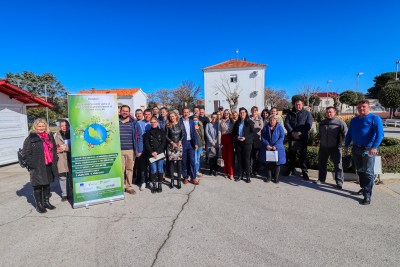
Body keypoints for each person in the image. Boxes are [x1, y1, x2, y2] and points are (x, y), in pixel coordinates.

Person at [344, 100, 384, 205]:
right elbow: (349, 134)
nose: (361, 109)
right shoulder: (354, 120)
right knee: (360, 170)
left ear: (368, 107)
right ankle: (364, 187)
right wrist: (346, 145)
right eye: (359, 107)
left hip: (369, 149)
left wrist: (374, 147)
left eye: (364, 106)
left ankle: (367, 195)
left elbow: (380, 134)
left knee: (368, 172)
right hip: (356, 148)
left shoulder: (375, 118)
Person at [21, 118, 58, 213]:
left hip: (48, 164)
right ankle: (39, 205)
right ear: (35, 127)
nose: (41, 128)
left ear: (46, 126)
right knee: (37, 186)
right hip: (37, 166)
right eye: (39, 126)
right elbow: (25, 154)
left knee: (47, 184)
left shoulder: (49, 136)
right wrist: (32, 164)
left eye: (43, 126)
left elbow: (53, 149)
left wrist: (55, 159)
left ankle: (46, 202)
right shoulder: (30, 138)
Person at [314, 107, 348, 189]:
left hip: (335, 148)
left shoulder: (340, 123)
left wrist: (344, 145)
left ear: (334, 112)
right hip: (323, 147)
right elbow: (320, 134)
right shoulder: (322, 123)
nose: (329, 113)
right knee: (322, 164)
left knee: (338, 165)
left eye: (330, 112)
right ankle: (321, 179)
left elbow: (346, 134)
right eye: (327, 112)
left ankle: (339, 182)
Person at [284, 100, 314, 180]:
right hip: (292, 137)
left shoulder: (307, 114)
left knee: (303, 156)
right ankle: (290, 169)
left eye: (299, 104)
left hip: (302, 138)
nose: (298, 106)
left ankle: (304, 172)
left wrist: (299, 133)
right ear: (294, 105)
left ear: (302, 105)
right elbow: (286, 123)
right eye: (296, 104)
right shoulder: (290, 113)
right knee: (291, 155)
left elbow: (308, 125)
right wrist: (293, 132)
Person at [259, 115, 286, 183]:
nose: (272, 121)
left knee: (277, 164)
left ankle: (276, 178)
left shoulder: (280, 128)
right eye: (270, 120)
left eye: (273, 120)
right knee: (268, 163)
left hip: (277, 148)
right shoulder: (265, 127)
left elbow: (282, 137)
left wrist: (276, 146)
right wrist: (267, 145)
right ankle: (269, 177)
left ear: (276, 120)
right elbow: (263, 137)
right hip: (268, 148)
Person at [144, 116, 166, 193]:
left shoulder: (162, 131)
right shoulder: (147, 133)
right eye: (152, 122)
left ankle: (159, 185)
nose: (153, 123)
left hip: (159, 154)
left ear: (157, 122)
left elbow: (163, 143)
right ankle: (154, 185)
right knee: (153, 170)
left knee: (160, 169)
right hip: (151, 154)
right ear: (150, 123)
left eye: (155, 122)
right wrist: (152, 152)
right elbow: (146, 144)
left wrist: (157, 151)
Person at [232, 107, 254, 183]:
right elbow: (233, 133)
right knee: (239, 160)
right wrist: (237, 137)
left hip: (247, 144)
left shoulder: (250, 122)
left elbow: (252, 133)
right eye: (240, 113)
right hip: (238, 144)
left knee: (247, 160)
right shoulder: (237, 122)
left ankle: (248, 177)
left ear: (246, 113)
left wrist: (245, 137)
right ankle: (239, 175)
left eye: (243, 112)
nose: (242, 114)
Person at [119, 105, 137, 194]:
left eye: (126, 111)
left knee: (129, 169)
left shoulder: (133, 123)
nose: (125, 112)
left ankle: (129, 187)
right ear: (120, 111)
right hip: (119, 150)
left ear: (129, 112)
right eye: (123, 111)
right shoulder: (115, 122)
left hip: (131, 150)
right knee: (121, 169)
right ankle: (121, 187)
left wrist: (139, 150)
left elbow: (138, 137)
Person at [54, 119, 72, 201]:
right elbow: (52, 147)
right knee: (62, 177)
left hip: (70, 157)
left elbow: (78, 147)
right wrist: (56, 150)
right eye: (62, 126)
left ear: (69, 125)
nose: (64, 127)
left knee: (71, 176)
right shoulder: (56, 135)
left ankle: (72, 192)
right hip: (61, 159)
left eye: (66, 125)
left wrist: (67, 148)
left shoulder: (73, 134)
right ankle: (64, 194)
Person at [180, 107, 199, 185]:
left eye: (187, 112)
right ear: (182, 113)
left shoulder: (191, 122)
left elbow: (194, 133)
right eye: (184, 112)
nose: (186, 113)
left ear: (189, 113)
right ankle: (185, 177)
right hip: (183, 144)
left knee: (192, 161)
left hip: (191, 143)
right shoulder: (179, 121)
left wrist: (196, 143)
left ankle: (193, 177)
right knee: (184, 161)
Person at [166, 111, 183, 188]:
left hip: (179, 145)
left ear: (176, 116)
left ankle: (179, 180)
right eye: (170, 117)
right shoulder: (168, 125)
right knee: (171, 163)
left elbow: (183, 134)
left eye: (173, 116)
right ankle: (172, 180)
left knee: (179, 163)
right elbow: (166, 136)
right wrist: (171, 142)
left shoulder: (180, 124)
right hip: (171, 146)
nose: (172, 118)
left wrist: (180, 141)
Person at [136, 109, 152, 191]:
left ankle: (150, 181)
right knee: (143, 167)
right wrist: (139, 149)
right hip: (142, 148)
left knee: (151, 166)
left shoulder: (155, 123)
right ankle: (143, 182)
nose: (147, 116)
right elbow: (138, 137)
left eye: (149, 114)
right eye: (145, 114)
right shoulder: (139, 124)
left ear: (151, 115)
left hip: (152, 149)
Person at [219, 109, 235, 180]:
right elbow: (219, 132)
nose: (226, 114)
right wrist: (219, 143)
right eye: (225, 113)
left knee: (230, 157)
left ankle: (231, 173)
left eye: (227, 113)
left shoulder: (232, 121)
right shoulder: (220, 121)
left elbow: (234, 132)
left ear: (229, 114)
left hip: (230, 139)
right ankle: (225, 172)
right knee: (224, 157)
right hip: (223, 139)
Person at [249, 106, 263, 176]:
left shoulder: (260, 118)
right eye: (253, 110)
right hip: (250, 139)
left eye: (255, 110)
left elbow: (261, 128)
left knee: (256, 156)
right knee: (250, 156)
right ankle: (250, 170)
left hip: (257, 139)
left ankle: (256, 170)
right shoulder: (249, 118)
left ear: (257, 111)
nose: (254, 112)